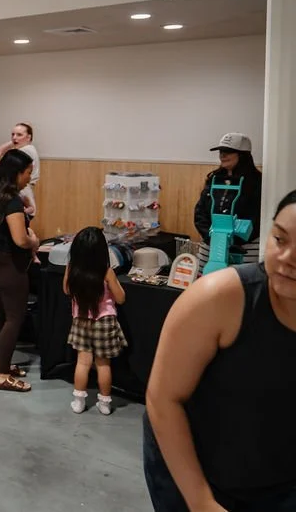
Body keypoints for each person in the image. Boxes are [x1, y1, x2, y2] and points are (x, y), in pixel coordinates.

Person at [144, 190, 296, 511]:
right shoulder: (217, 298)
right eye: (280, 239)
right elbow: (163, 399)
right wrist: (201, 501)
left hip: (277, 475)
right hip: (199, 473)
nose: (286, 258)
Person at [0, 149, 39, 392]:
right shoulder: (12, 200)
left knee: (2, 311)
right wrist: (34, 241)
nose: (29, 178)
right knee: (15, 317)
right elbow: (20, 240)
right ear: (16, 173)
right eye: (27, 173)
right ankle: (2, 375)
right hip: (9, 264)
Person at [62, 227, 126, 415]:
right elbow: (121, 298)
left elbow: (66, 290)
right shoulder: (107, 272)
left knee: (82, 363)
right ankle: (105, 404)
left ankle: (79, 401)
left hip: (81, 320)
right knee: (103, 364)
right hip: (104, 322)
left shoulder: (72, 268)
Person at [193, 133, 263, 274]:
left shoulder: (257, 182)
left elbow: (257, 216)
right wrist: (211, 237)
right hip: (210, 246)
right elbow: (200, 211)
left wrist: (231, 241)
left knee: (239, 286)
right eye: (221, 152)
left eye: (228, 152)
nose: (222, 155)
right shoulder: (214, 179)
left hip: (244, 249)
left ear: (242, 155)